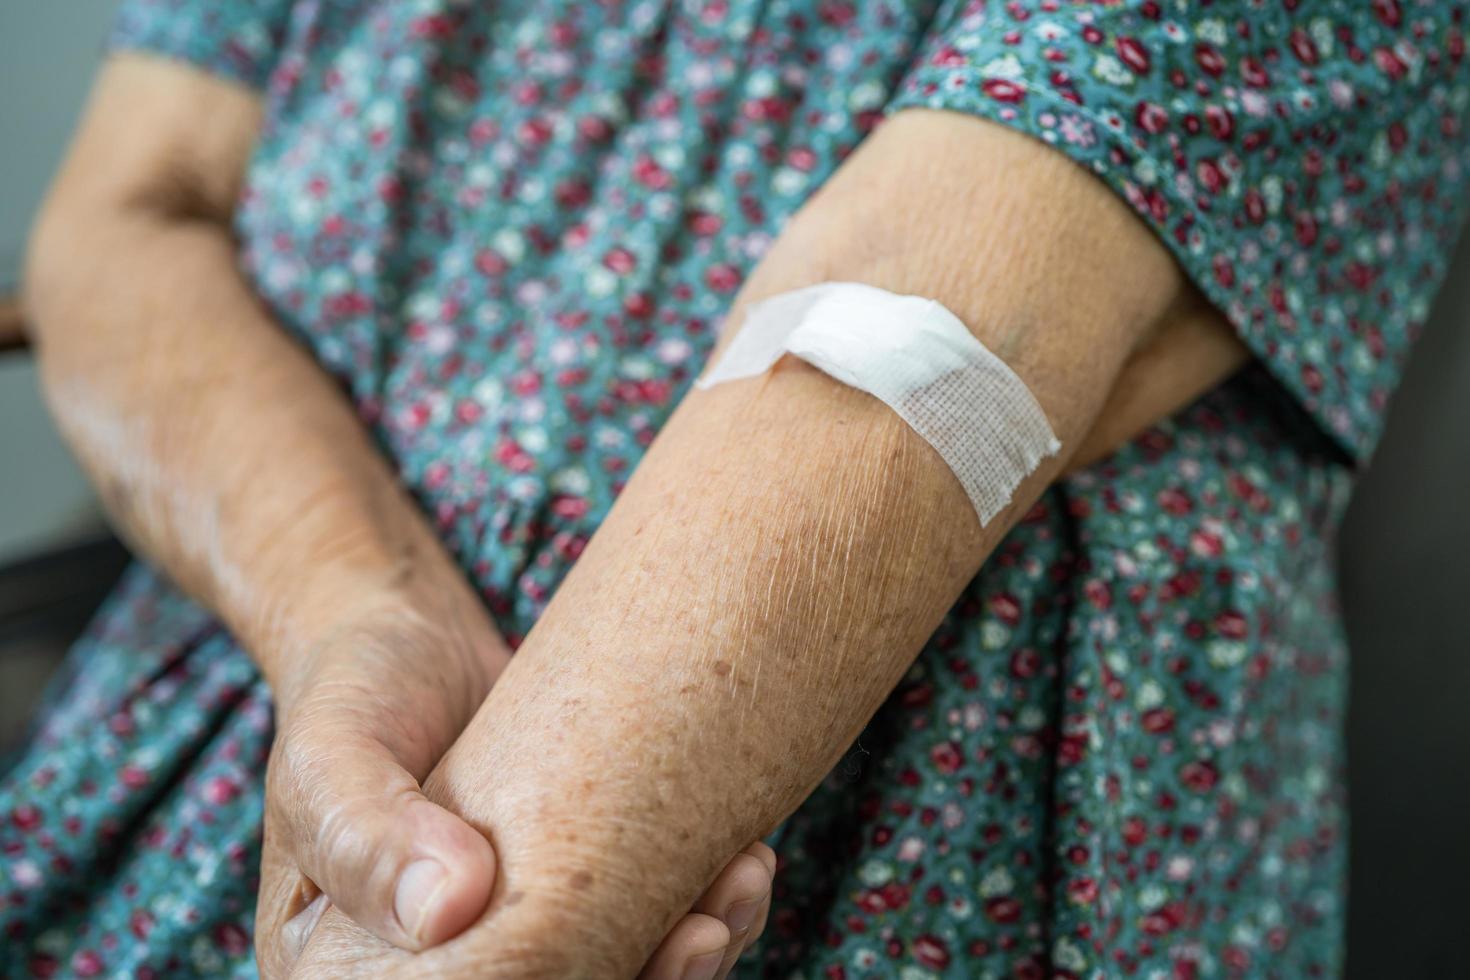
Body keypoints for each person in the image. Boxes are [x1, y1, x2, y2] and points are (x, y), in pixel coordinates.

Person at [4, 1, 1466, 977]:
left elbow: (923, 326)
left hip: (923, 854)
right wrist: (347, 606)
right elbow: (127, 212)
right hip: (217, 725)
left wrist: (499, 898)